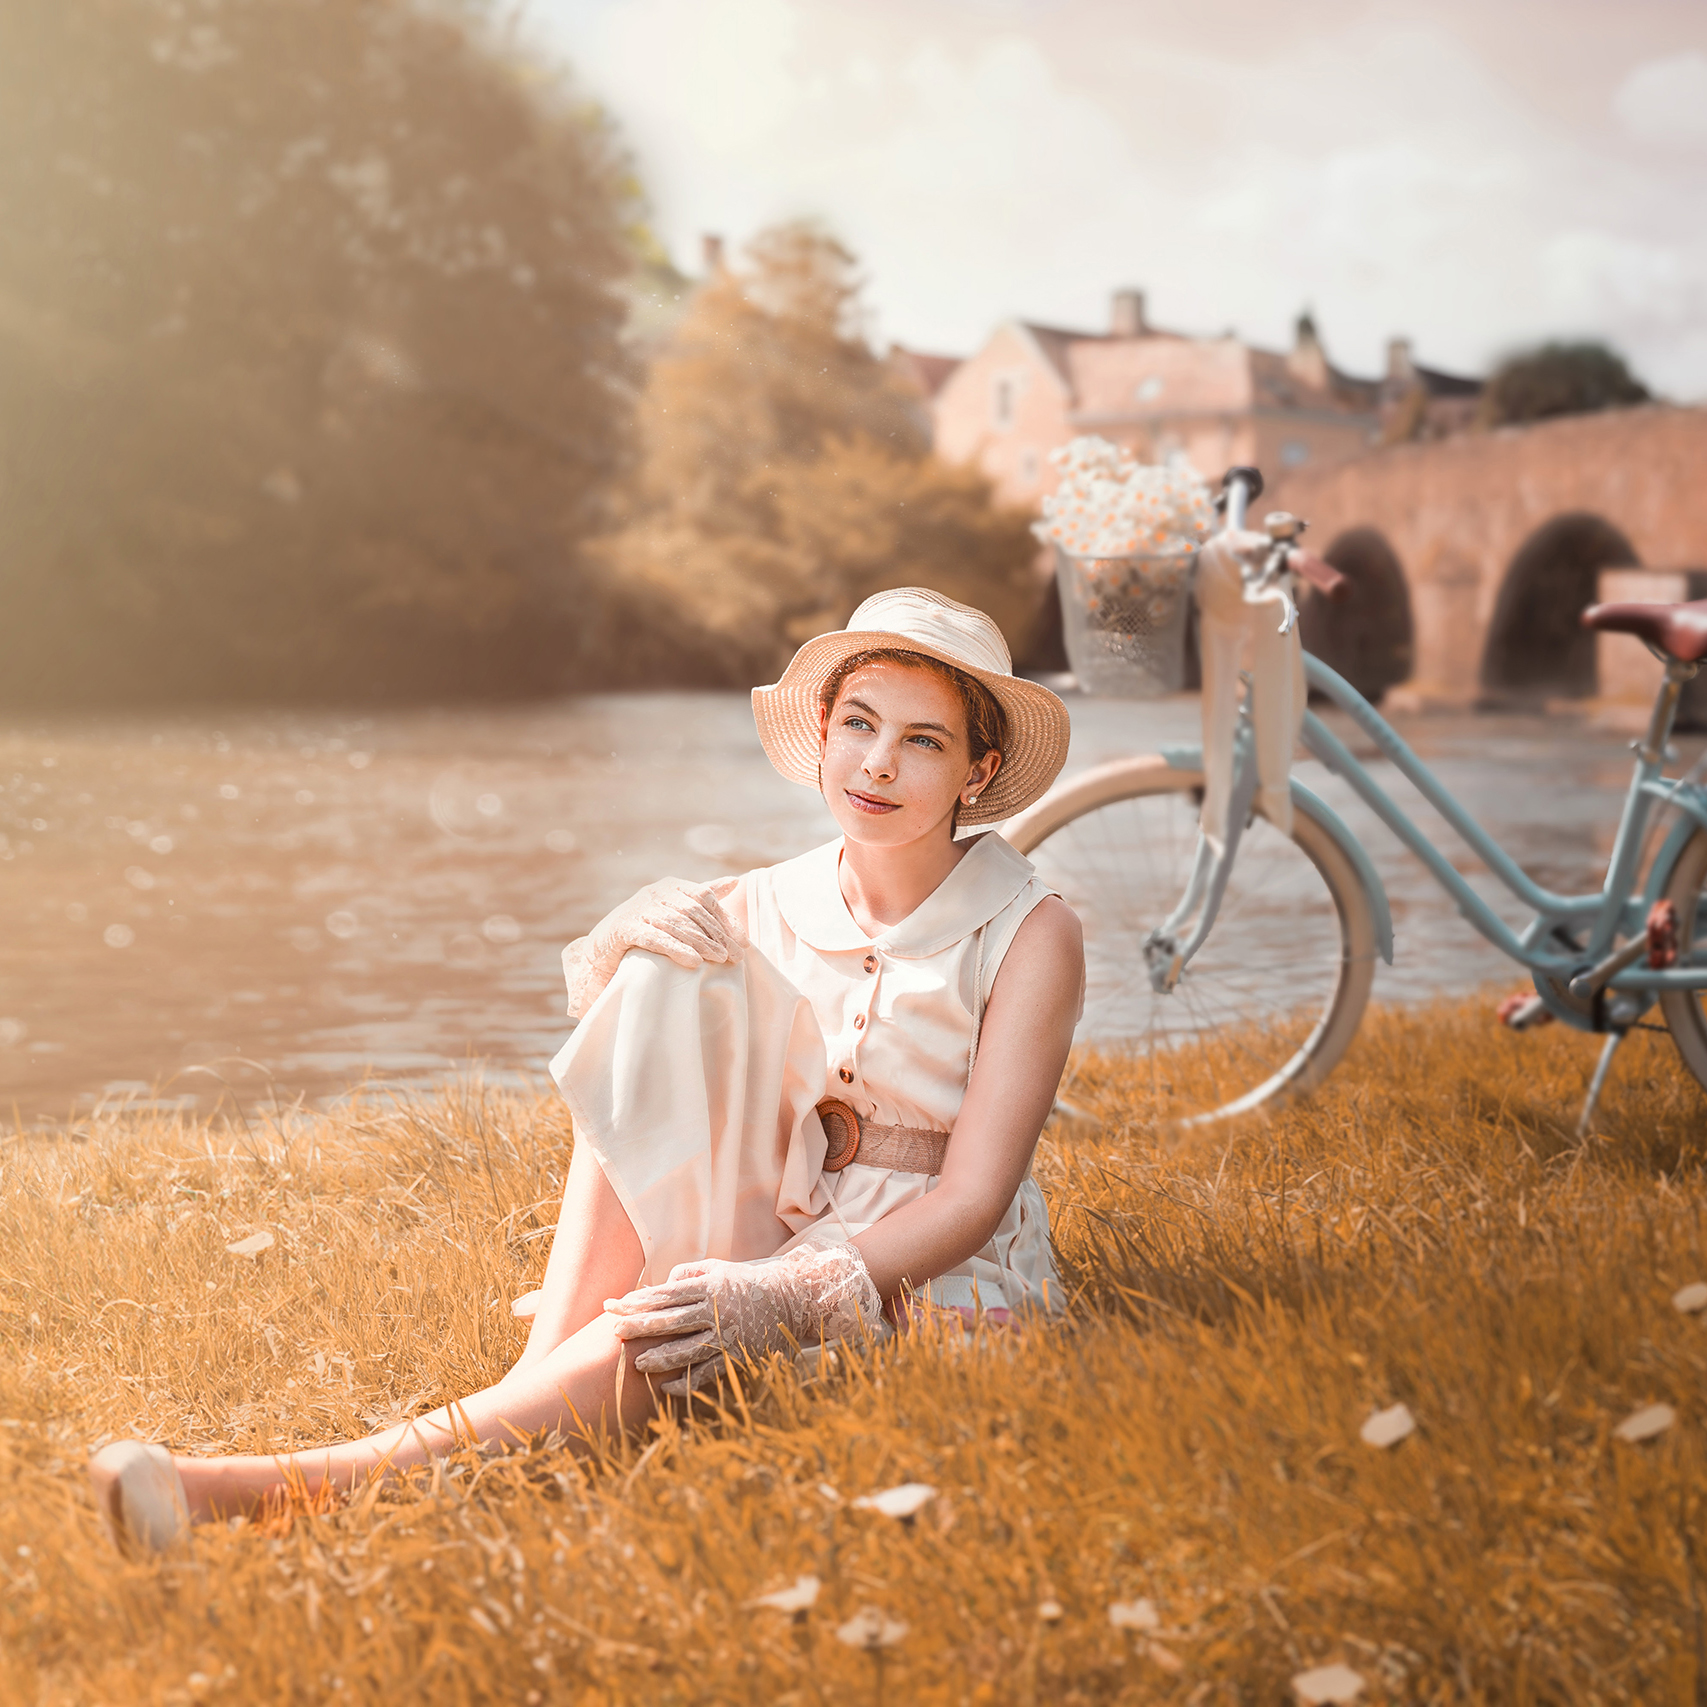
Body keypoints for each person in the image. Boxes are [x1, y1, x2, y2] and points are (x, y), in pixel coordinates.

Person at [90, 588, 1084, 1555]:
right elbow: (627, 1029)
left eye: (923, 740)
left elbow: (976, 1195)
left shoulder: (1030, 930)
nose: (877, 762)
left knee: (665, 1331)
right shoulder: (766, 899)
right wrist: (616, 940)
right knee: (664, 959)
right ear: (822, 729)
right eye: (859, 723)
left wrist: (788, 1294)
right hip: (784, 1204)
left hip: (923, 1262)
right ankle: (538, 1378)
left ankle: (261, 1493)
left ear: (976, 769)